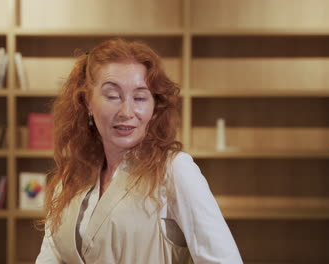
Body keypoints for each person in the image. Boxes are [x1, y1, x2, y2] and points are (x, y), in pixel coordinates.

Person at [36, 38, 243, 264]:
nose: (127, 111)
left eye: (140, 98)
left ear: (154, 106)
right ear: (88, 102)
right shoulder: (71, 179)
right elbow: (51, 256)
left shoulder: (174, 170)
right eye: (113, 96)